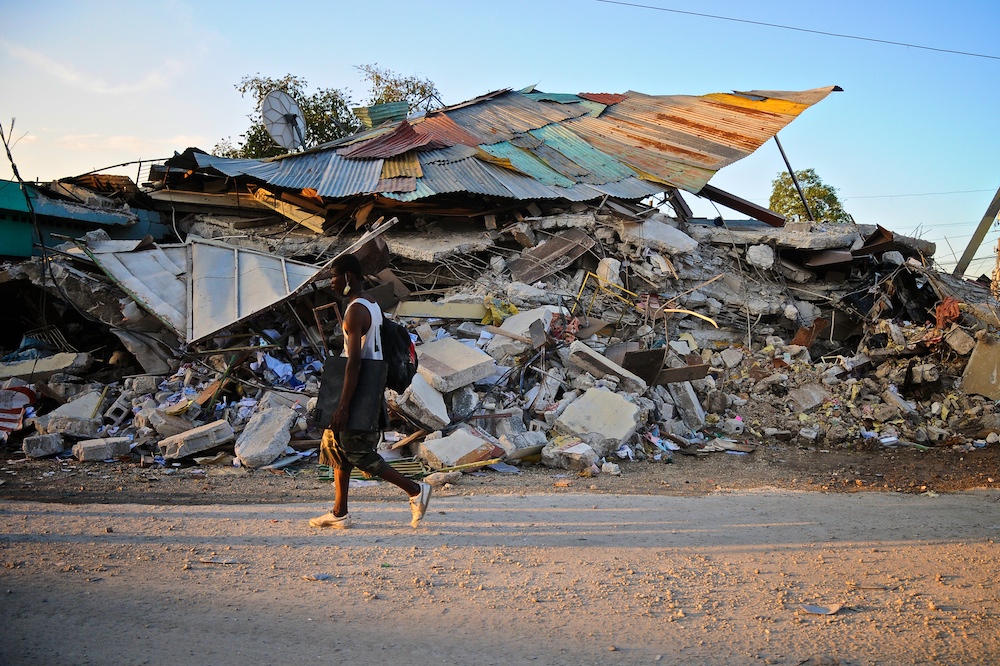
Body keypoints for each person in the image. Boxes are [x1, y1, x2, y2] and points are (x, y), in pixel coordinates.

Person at [310, 253, 431, 529]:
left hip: (358, 390)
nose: (331, 283)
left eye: (334, 277)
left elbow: (354, 362)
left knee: (358, 452)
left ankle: (415, 490)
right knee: (336, 445)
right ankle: (339, 512)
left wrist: (343, 406)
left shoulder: (355, 311)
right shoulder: (370, 302)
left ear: (348, 277)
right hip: (365, 385)